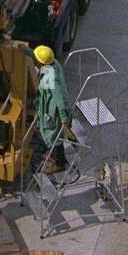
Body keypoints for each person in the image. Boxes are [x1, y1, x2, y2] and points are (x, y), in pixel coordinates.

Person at [33, 45, 72, 174]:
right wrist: (25, 49)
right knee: (49, 134)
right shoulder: (54, 64)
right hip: (50, 109)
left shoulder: (50, 80)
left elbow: (59, 99)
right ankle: (50, 154)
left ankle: (60, 163)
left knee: (53, 136)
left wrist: (64, 118)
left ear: (40, 63)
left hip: (53, 113)